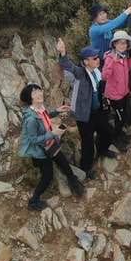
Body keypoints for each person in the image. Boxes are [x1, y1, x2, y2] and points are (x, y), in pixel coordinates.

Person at [56, 38, 117, 179]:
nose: (98, 59)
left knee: (107, 132)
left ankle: (102, 150)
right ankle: (86, 167)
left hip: (98, 111)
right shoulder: (81, 73)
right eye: (94, 58)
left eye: (98, 57)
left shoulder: (97, 71)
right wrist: (63, 53)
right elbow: (68, 65)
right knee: (87, 142)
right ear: (85, 61)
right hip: (85, 115)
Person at [19, 83, 84, 211]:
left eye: (39, 90)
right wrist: (52, 133)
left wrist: (57, 111)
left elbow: (45, 116)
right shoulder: (30, 119)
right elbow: (32, 140)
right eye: (34, 92)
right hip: (40, 152)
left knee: (63, 161)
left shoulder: (40, 108)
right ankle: (33, 201)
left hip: (50, 144)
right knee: (47, 176)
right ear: (30, 98)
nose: (39, 93)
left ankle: (73, 182)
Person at [101, 30, 131, 151]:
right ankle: (115, 139)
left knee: (122, 117)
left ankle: (118, 135)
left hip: (123, 92)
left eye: (125, 43)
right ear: (115, 44)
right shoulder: (110, 57)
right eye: (120, 43)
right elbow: (104, 76)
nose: (123, 45)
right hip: (114, 95)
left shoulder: (124, 56)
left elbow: (125, 68)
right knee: (120, 117)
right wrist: (113, 62)